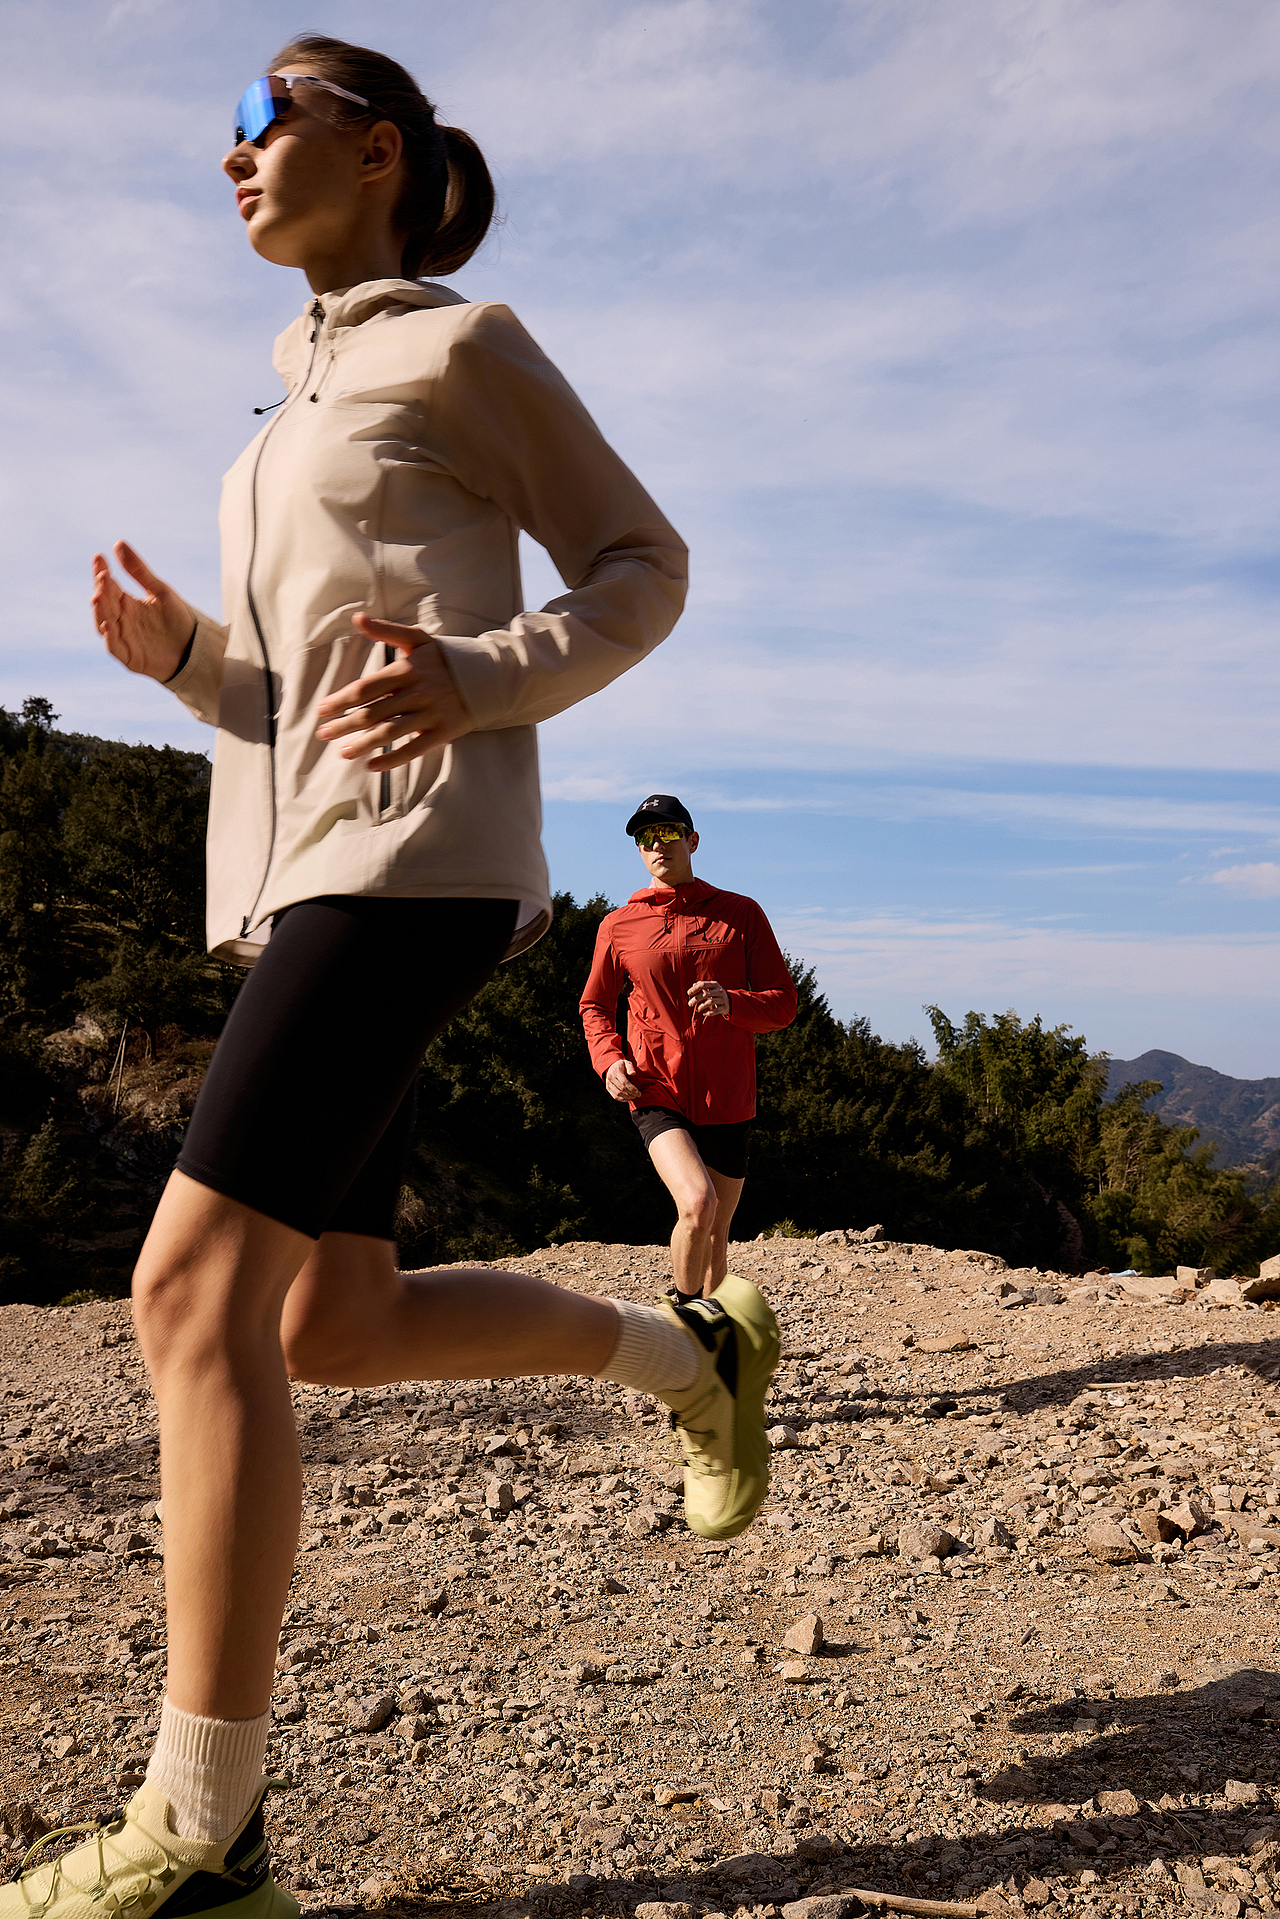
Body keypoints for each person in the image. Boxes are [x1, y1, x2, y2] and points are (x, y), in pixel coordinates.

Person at [5, 39, 779, 1919]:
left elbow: (641, 562)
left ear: (379, 148)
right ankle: (697, 1356)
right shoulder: (290, 402)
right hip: (300, 880)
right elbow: (304, 702)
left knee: (185, 1294)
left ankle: (205, 1834)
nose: (230, 152)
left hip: (413, 871)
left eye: (263, 119)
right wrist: (188, 659)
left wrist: (483, 673)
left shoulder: (462, 344)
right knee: (324, 1323)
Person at [579, 794, 798, 1303]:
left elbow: (783, 1004)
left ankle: (712, 1351)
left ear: (692, 840)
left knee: (716, 1232)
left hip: (728, 1095)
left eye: (669, 832)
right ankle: (684, 1316)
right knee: (697, 1205)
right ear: (638, 851)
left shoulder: (741, 914)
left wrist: (733, 1001)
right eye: (645, 837)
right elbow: (594, 1006)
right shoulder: (618, 925)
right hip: (657, 1087)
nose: (658, 844)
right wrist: (609, 1061)